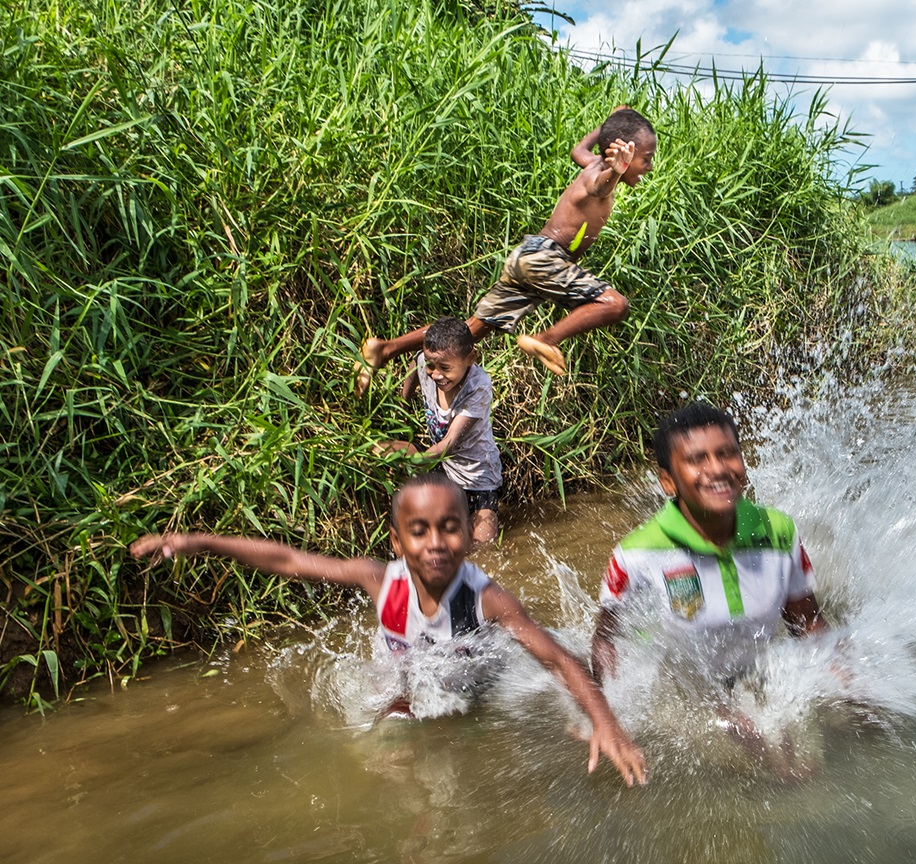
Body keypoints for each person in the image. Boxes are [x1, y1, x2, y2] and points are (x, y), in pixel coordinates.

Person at [130, 472, 648, 787]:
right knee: (391, 726)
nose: (435, 542)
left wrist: (605, 720)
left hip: (477, 674)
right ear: (398, 543)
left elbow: (556, 659)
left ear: (469, 536)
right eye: (418, 531)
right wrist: (199, 540)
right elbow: (288, 559)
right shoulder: (378, 579)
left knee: (463, 724)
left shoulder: (487, 599)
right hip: (409, 667)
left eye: (450, 527)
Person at [355, 106, 656, 389]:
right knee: (615, 305)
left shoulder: (591, 162)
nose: (650, 166)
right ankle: (547, 339)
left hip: (529, 257)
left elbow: (578, 149)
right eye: (646, 158)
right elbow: (602, 186)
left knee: (467, 333)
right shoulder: (600, 176)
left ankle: (384, 348)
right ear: (622, 154)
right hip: (546, 259)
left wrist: (607, 124)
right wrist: (616, 170)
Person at [590, 401, 829, 686]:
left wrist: (845, 680)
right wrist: (608, 713)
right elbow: (607, 639)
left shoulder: (778, 532)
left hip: (752, 674)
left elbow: (808, 625)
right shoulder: (638, 554)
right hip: (678, 687)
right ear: (668, 482)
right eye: (696, 460)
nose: (717, 469)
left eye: (728, 454)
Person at [376, 317, 502, 545]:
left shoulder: (478, 386)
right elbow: (414, 368)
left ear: (470, 359)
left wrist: (416, 461)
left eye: (445, 368)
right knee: (379, 448)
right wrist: (401, 406)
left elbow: (448, 445)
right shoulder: (425, 363)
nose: (435, 374)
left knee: (483, 550)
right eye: (431, 366)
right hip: (441, 464)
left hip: (476, 478)